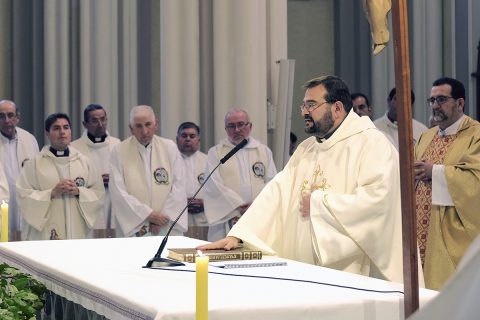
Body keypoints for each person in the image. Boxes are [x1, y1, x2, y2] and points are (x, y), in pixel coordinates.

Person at [199, 76, 404, 283]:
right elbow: (277, 194)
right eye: (303, 105)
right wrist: (240, 235)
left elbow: (379, 202)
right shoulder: (307, 148)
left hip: (351, 276)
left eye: (312, 105)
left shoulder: (371, 143)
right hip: (305, 272)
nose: (304, 112)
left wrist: (318, 203)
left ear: (338, 108)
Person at [414, 77, 480, 290]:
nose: (434, 105)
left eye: (441, 99)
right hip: (419, 229)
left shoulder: (476, 134)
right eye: (431, 100)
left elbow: (475, 180)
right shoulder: (427, 136)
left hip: (451, 236)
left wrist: (434, 171)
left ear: (460, 103)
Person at [16, 113, 104, 240]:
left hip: (77, 232)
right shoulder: (34, 164)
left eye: (66, 127)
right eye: (56, 128)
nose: (62, 132)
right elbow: (23, 196)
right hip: (47, 234)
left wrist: (79, 192)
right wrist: (51, 193)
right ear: (47, 133)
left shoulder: (84, 162)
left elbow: (98, 194)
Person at [109, 105, 187, 237]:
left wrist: (161, 218)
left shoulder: (169, 147)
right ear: (131, 128)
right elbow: (118, 192)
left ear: (156, 124)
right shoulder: (119, 151)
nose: (144, 131)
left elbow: (179, 186)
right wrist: (148, 215)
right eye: (138, 126)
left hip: (166, 224)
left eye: (148, 124)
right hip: (136, 226)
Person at [203, 108, 277, 242]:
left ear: (250, 126)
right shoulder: (216, 153)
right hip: (227, 217)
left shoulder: (263, 151)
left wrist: (254, 205)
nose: (236, 130)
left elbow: (272, 182)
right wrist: (238, 205)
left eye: (241, 124)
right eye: (231, 126)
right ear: (226, 129)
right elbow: (213, 184)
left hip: (257, 214)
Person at [71, 104, 120, 238]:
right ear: (85, 124)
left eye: (103, 119)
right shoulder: (74, 148)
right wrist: (95, 180)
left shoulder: (118, 145)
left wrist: (114, 178)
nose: (100, 124)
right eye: (94, 121)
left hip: (112, 201)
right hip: (88, 204)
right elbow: (72, 179)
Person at [0, 99, 39, 241]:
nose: (6, 120)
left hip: (24, 204)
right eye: (1, 116)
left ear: (17, 118)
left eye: (10, 115)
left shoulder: (29, 139)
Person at [176, 121, 209, 240]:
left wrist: (205, 203)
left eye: (192, 136)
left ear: (198, 140)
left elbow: (218, 191)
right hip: (178, 219)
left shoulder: (209, 161)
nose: (188, 139)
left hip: (204, 218)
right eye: (184, 136)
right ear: (177, 139)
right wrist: (181, 202)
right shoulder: (169, 161)